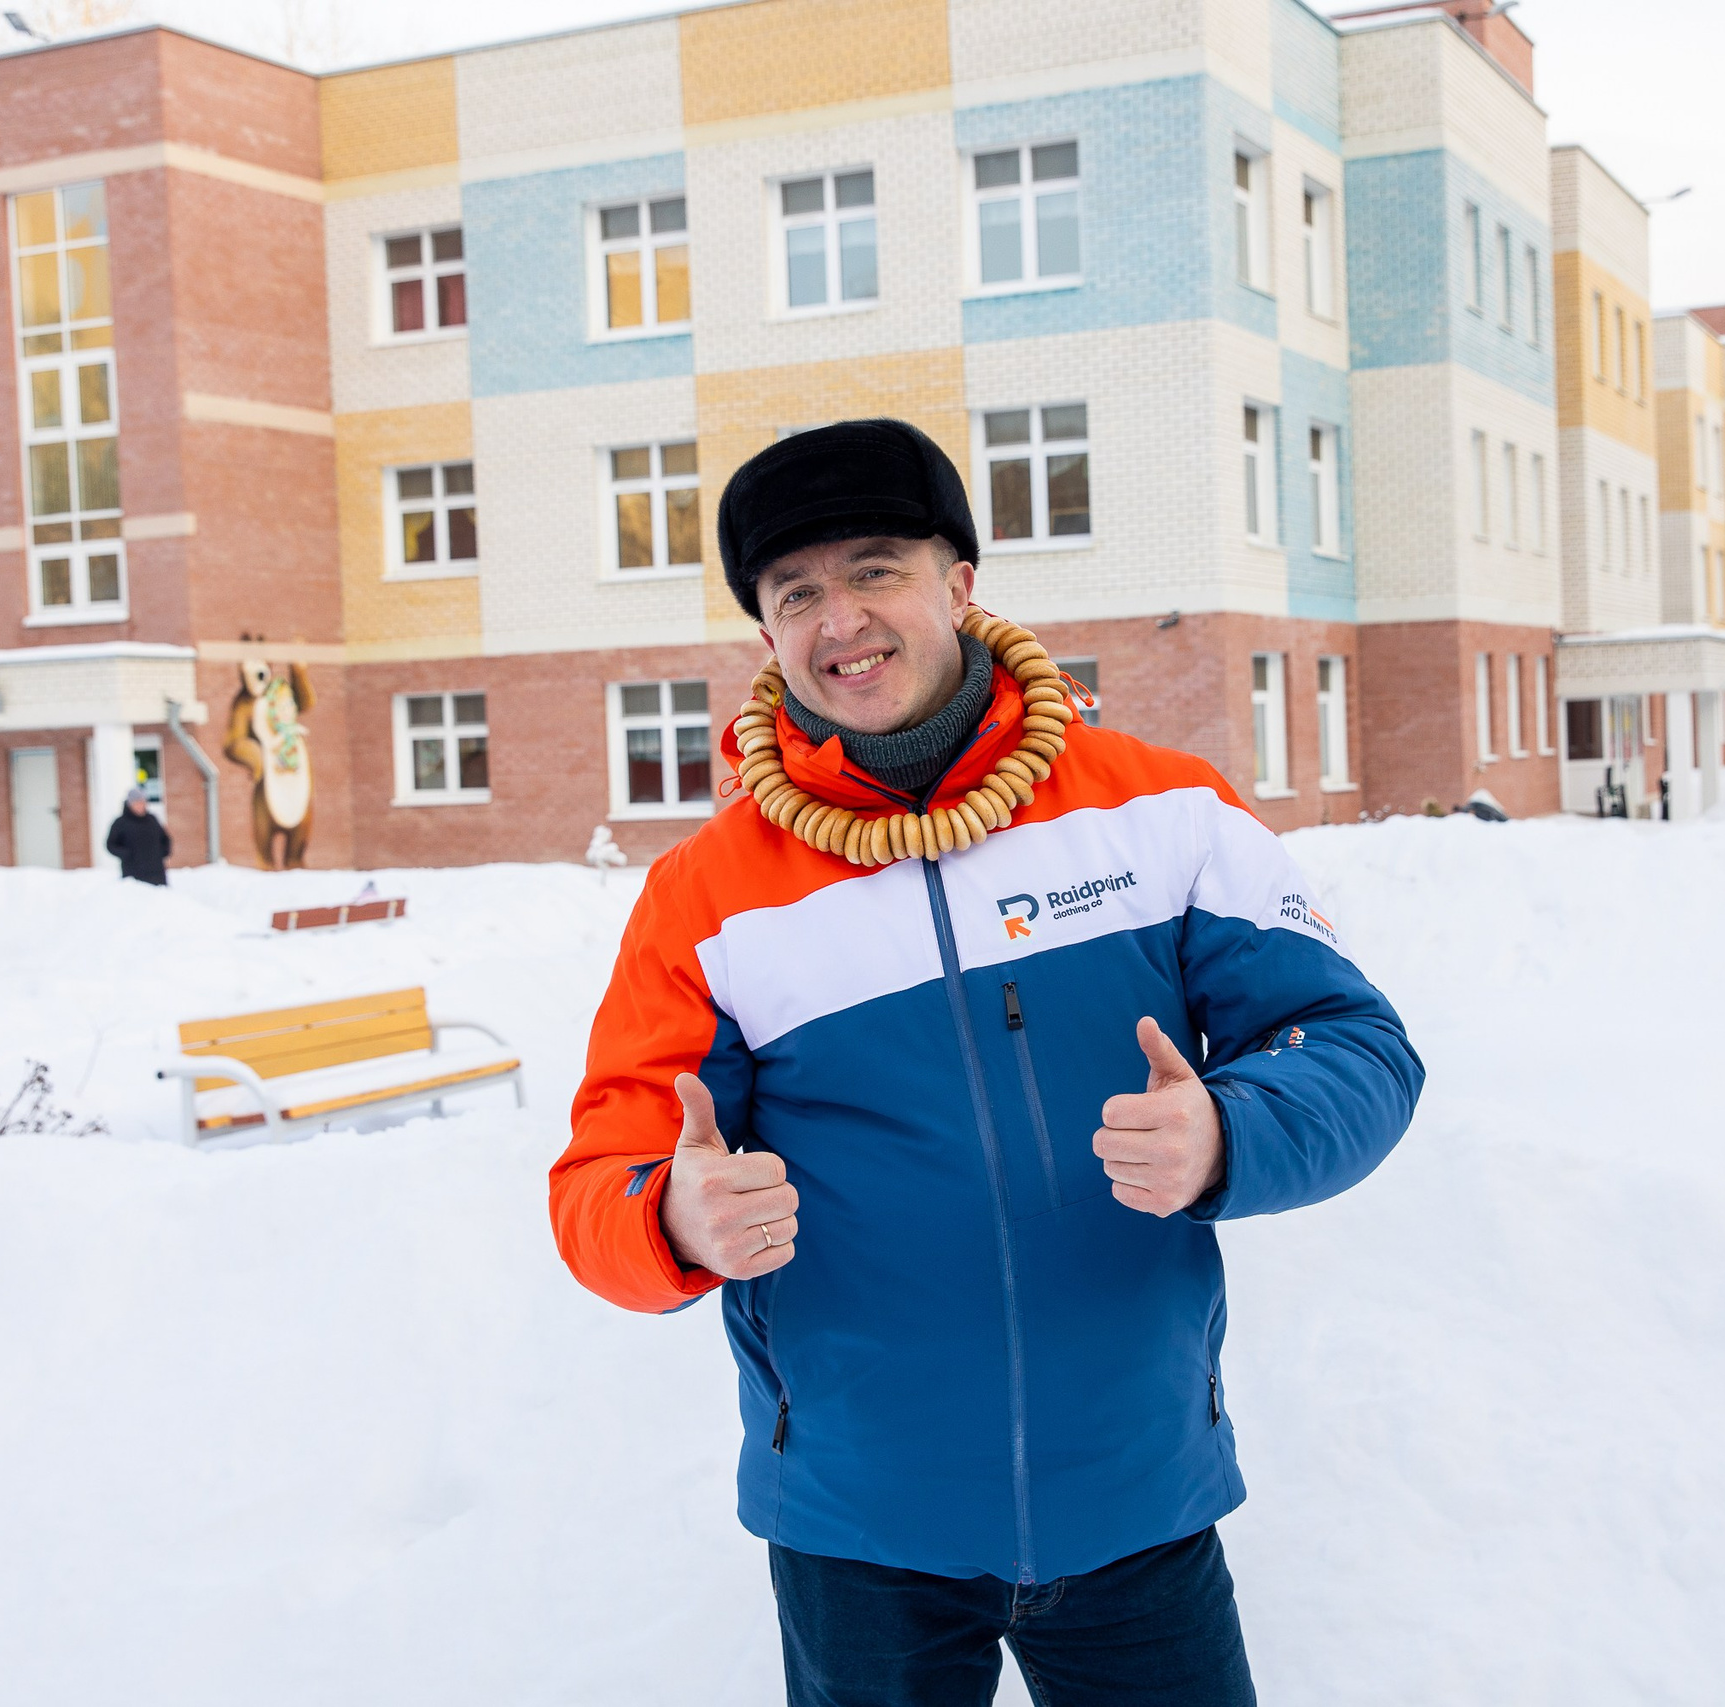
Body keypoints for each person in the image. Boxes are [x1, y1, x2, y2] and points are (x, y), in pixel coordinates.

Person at [550, 419, 1423, 1707]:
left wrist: (1231, 1132)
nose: (839, 619)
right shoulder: (705, 899)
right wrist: (671, 1214)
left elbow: (1354, 1047)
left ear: (960, 583)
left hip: (1134, 1491)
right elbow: (597, 1183)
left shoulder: (1160, 812)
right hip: (859, 1528)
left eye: (876, 569)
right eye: (797, 594)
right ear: (766, 637)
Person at [104, 787, 171, 885]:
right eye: (137, 802)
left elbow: (165, 839)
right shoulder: (121, 823)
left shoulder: (152, 820)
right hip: (133, 876)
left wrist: (163, 852)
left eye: (143, 802)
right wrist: (127, 854)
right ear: (130, 804)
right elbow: (111, 845)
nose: (141, 805)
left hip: (157, 875)